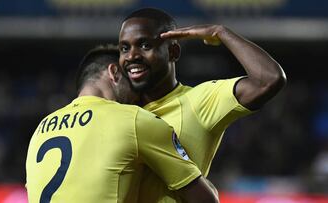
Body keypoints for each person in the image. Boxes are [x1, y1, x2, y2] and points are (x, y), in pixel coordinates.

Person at [118, 7, 287, 202]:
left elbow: (269, 79)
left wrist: (221, 32)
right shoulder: (117, 109)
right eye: (124, 48)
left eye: (145, 45)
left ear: (173, 51)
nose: (132, 56)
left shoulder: (200, 100)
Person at [25, 45, 219, 203]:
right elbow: (205, 200)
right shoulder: (132, 119)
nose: (139, 97)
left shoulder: (41, 129)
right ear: (114, 72)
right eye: (133, 84)